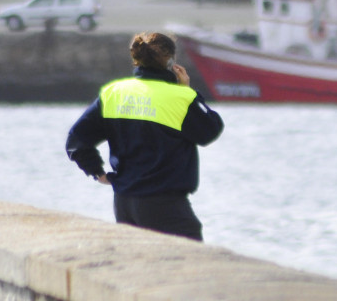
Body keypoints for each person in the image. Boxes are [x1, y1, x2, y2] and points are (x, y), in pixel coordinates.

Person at [66, 32, 224, 241]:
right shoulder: (180, 97)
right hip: (165, 204)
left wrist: (97, 172)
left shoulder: (113, 93)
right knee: (190, 264)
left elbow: (77, 140)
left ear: (136, 59)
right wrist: (187, 92)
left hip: (125, 203)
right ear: (170, 62)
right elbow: (210, 131)